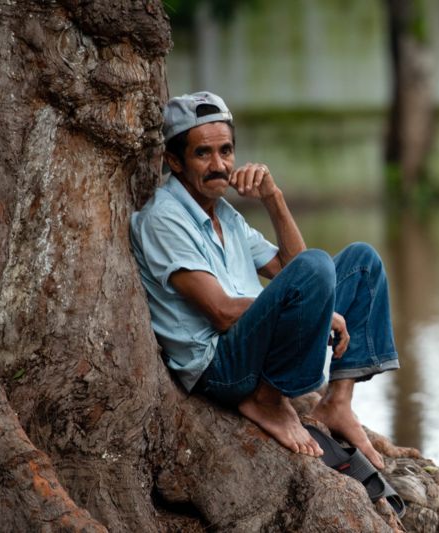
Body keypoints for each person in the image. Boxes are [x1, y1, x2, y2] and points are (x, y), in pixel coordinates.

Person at [130, 91, 399, 468]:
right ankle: (266, 400)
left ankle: (337, 403)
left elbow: (297, 266)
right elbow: (221, 312)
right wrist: (316, 311)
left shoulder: (225, 214)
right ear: (174, 161)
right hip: (221, 368)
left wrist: (273, 198)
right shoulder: (164, 218)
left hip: (254, 346)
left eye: (226, 151)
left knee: (362, 263)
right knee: (316, 267)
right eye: (203, 154)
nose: (218, 165)